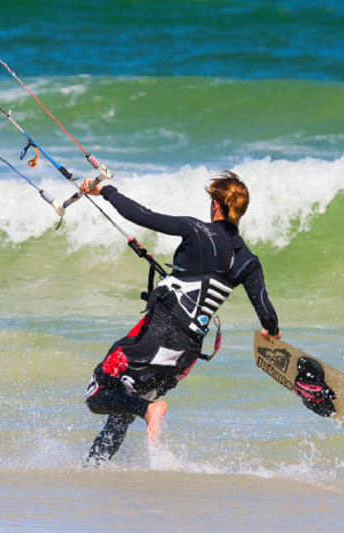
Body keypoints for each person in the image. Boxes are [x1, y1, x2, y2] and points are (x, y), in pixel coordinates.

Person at [80, 171, 281, 465]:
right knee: (122, 413)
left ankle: (151, 411)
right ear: (243, 210)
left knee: (98, 391)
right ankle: (91, 467)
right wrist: (272, 332)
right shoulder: (248, 261)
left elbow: (141, 215)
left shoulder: (196, 229)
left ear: (215, 204)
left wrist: (105, 190)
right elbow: (266, 310)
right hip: (184, 356)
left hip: (157, 337)